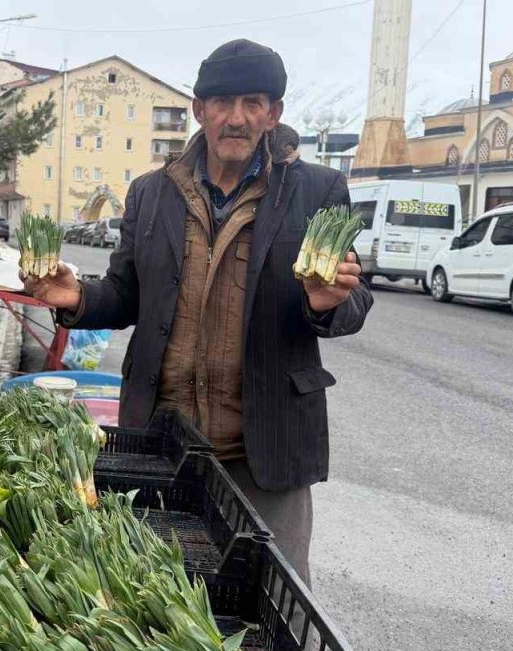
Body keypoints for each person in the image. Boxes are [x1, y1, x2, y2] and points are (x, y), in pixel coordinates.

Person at [24, 39, 372, 586]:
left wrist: (326, 304)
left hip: (264, 451)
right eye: (223, 102)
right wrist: (80, 299)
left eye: (253, 102)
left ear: (274, 112)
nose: (237, 118)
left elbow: (353, 300)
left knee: (269, 603)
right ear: (199, 109)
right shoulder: (151, 193)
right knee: (153, 595)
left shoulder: (317, 190)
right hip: (163, 438)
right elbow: (127, 292)